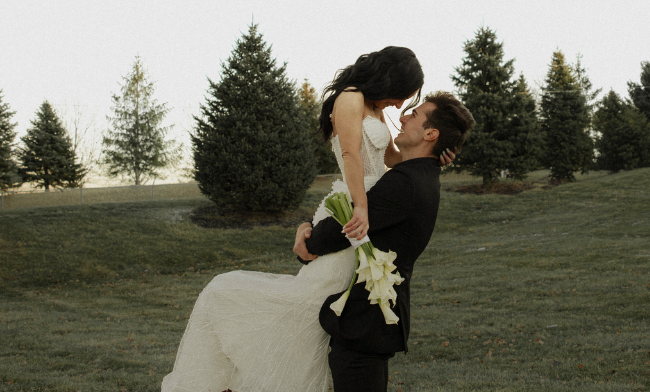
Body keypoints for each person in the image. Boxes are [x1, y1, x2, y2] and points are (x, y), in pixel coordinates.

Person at [160, 47, 462, 392]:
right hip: (355, 206)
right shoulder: (350, 99)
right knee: (291, 303)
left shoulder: (377, 110)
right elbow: (351, 154)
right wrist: (360, 207)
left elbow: (394, 159)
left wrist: (436, 159)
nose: (398, 106)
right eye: (401, 96)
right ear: (390, 80)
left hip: (365, 216)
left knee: (316, 311)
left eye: (409, 104)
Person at [296, 91, 474, 392]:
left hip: (366, 321)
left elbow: (346, 226)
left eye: (414, 115)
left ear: (431, 134)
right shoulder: (421, 175)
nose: (403, 116)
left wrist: (307, 240)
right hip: (373, 322)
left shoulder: (405, 183)